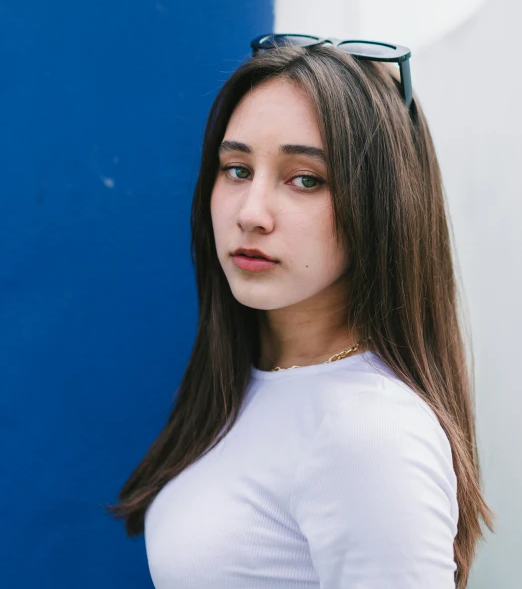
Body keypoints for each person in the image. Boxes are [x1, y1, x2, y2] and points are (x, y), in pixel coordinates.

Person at [106, 35, 495, 588]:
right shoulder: (247, 381)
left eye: (305, 179)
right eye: (236, 168)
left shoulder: (370, 432)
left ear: (382, 206)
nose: (252, 212)